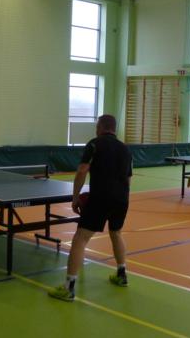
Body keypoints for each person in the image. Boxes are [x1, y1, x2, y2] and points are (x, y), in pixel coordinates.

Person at [49, 115, 133, 302]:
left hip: (100, 197)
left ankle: (69, 288)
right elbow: (128, 179)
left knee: (80, 238)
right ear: (114, 128)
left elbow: (82, 170)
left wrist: (75, 197)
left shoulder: (94, 144)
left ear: (101, 127)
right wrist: (121, 197)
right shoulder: (125, 149)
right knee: (116, 233)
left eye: (97, 126)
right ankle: (121, 275)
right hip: (122, 198)